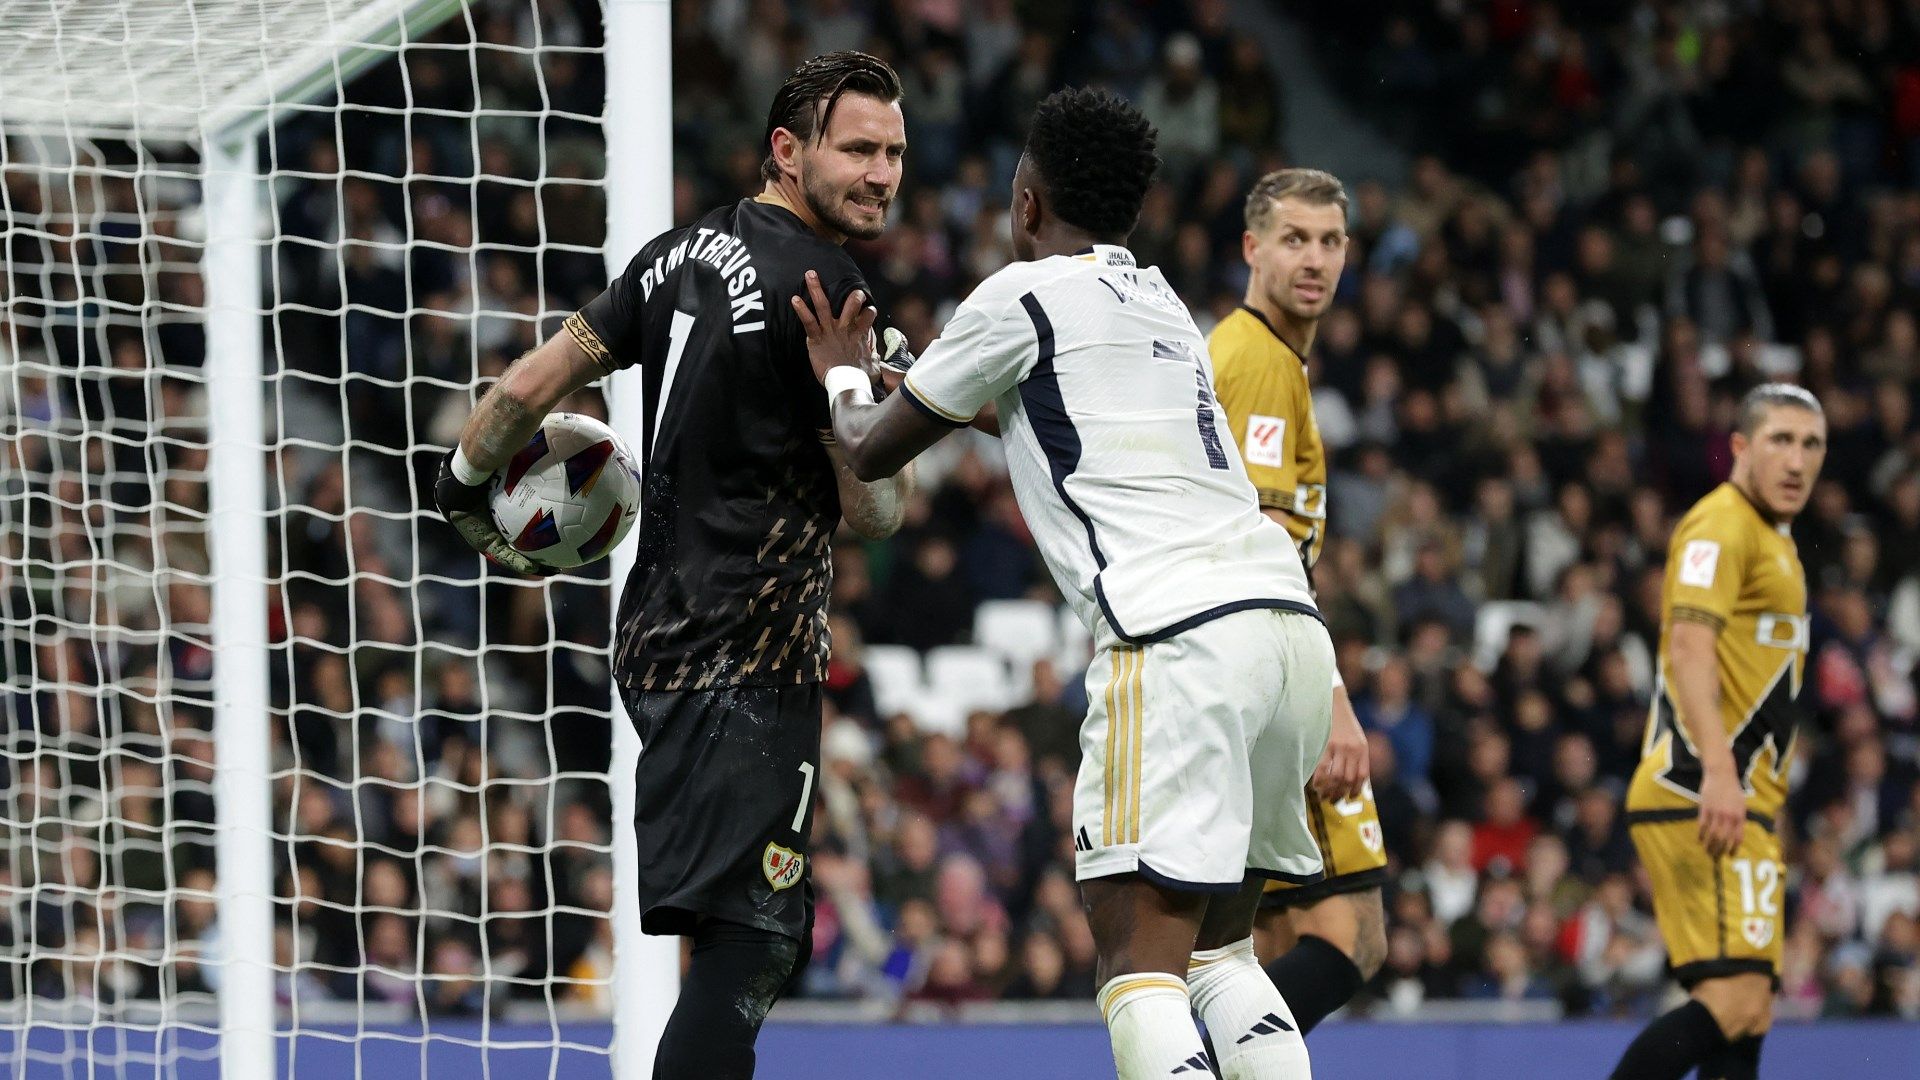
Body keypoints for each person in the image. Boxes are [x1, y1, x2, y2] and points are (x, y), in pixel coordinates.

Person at [793, 87, 1332, 1079]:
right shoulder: (1165, 300)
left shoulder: (1018, 293)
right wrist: (934, 385)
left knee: (1140, 969)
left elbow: (867, 454)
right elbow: (1049, 414)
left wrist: (839, 370)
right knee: (1221, 954)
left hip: (1175, 638)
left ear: (1028, 203)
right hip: (1285, 634)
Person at [434, 52, 914, 1079]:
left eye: (895, 153)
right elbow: (875, 507)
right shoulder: (826, 288)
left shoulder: (673, 255)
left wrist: (466, 483)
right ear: (788, 151)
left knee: (720, 925)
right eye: (859, 149)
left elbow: (543, 374)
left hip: (657, 642)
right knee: (761, 939)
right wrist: (846, 388)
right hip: (752, 658)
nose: (882, 174)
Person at [1208, 168, 1389, 1035]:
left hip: (1238, 680)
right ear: (1252, 247)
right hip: (1276, 682)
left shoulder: (1255, 357)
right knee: (1352, 935)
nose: (1314, 259)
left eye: (1330, 241)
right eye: (1294, 238)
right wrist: (1332, 702)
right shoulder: (1257, 365)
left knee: (1266, 944)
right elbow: (1265, 548)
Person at [1609, 384, 1826, 1080]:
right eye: (1780, 441)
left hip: (1736, 797)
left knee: (1748, 1012)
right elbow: (1689, 650)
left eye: (1811, 444)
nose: (1796, 460)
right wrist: (1723, 775)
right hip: (1697, 787)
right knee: (1734, 1000)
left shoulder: (1772, 539)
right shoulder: (1720, 526)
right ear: (1739, 446)